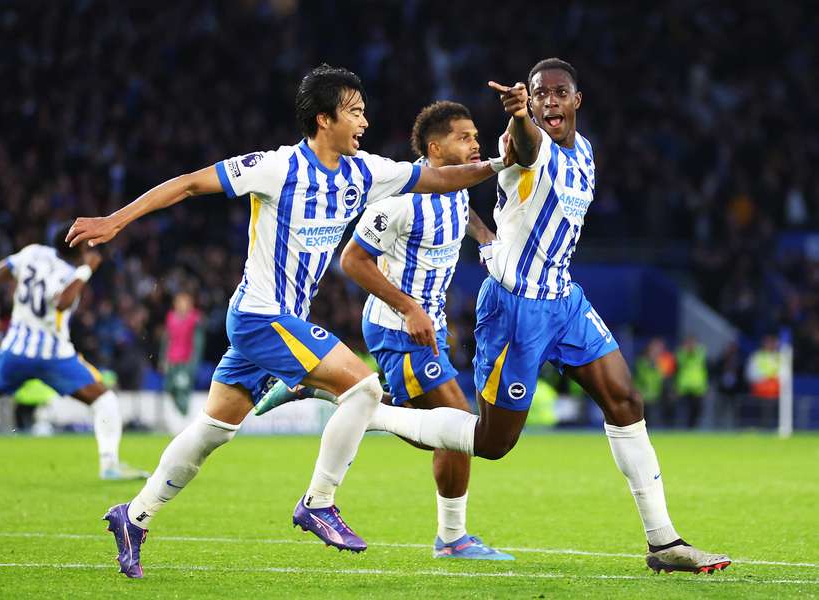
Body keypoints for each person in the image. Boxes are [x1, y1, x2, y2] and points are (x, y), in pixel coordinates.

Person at [261, 58, 730, 575]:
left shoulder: (586, 152)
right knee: (491, 442)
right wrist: (518, 115)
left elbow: (479, 222)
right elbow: (524, 146)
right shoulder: (529, 147)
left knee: (625, 401)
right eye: (538, 94)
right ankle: (352, 404)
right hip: (514, 308)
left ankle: (664, 543)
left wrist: (488, 244)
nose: (549, 101)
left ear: (578, 100)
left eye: (559, 93)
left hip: (564, 300)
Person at [66, 65, 508, 578]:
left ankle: (134, 516)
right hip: (259, 316)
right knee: (364, 388)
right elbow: (189, 185)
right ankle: (319, 501)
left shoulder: (365, 172)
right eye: (355, 111)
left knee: (214, 431)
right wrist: (113, 221)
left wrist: (507, 160)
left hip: (280, 322)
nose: (365, 120)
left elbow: (445, 176)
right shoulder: (276, 168)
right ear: (324, 119)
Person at [255, 101, 512, 560]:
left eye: (477, 136)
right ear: (436, 148)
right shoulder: (399, 200)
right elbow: (352, 259)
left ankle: (321, 392)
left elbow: (463, 213)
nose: (476, 144)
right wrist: (409, 307)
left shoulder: (457, 184)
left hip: (428, 327)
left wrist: (487, 239)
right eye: (466, 137)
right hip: (398, 327)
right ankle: (452, 539)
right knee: (458, 425)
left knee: (437, 430)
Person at [0, 223, 148, 481]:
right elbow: (63, 302)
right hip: (55, 356)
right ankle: (109, 465)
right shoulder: (69, 273)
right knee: (104, 400)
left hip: (14, 352)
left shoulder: (32, 253)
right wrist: (87, 270)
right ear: (81, 247)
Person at [161, 292, 204, 415]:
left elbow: (198, 343)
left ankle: (185, 415)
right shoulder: (170, 317)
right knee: (168, 387)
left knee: (184, 388)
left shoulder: (195, 318)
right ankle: (182, 413)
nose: (181, 305)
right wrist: (163, 359)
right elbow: (166, 340)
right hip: (172, 360)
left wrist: (194, 362)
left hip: (186, 361)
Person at [674, 336, 709, 429]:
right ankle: (683, 428)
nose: (690, 345)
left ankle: (694, 428)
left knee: (697, 411)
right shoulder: (681, 354)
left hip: (698, 387)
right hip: (684, 388)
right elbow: (677, 367)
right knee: (684, 411)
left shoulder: (700, 353)